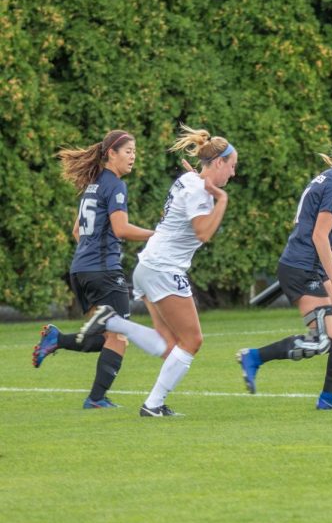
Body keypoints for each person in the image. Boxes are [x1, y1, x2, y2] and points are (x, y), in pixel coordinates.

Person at [77, 124, 237, 417]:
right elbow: (203, 233)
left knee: (169, 344)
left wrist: (200, 181)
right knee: (193, 341)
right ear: (218, 162)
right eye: (232, 166)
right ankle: (150, 400)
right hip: (163, 268)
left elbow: (192, 189)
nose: (234, 173)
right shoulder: (199, 189)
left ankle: (151, 401)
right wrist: (222, 200)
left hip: (148, 266)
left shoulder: (191, 181)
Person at [236, 130, 332, 410]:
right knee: (321, 342)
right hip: (301, 268)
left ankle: (329, 398)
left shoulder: (328, 178)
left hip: (309, 264)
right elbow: (317, 236)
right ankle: (253, 357)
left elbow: (308, 227)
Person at [32, 130, 156, 409]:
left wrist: (93, 255)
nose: (133, 156)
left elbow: (78, 231)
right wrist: (156, 234)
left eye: (135, 151)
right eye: (128, 151)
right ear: (111, 153)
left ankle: (57, 340)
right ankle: (96, 399)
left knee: (103, 337)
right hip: (104, 273)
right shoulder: (114, 185)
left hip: (81, 271)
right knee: (120, 336)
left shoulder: (93, 184)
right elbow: (121, 229)